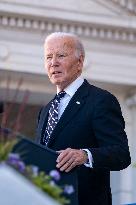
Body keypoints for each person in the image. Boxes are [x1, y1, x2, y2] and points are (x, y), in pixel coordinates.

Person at [36, 32, 131, 205]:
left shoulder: (100, 100)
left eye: (61, 55)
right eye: (48, 57)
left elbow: (121, 154)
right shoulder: (46, 110)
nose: (53, 62)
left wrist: (85, 155)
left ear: (79, 62)